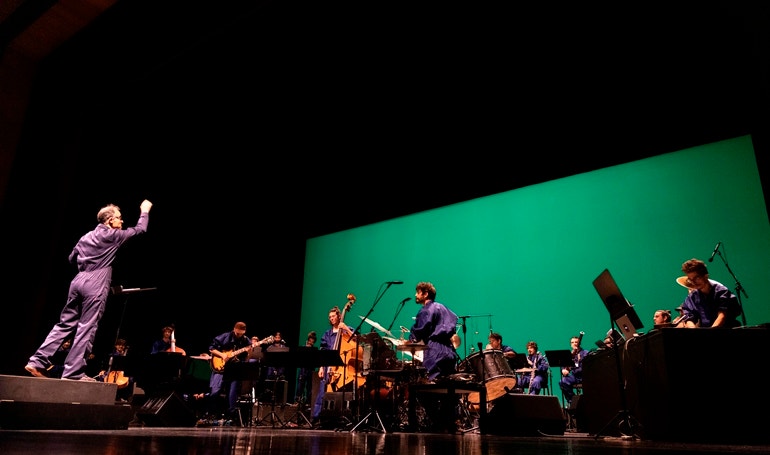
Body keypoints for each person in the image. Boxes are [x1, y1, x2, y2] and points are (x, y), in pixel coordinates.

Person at [25, 200, 153, 381]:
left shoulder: (85, 236)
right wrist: (144, 211)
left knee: (64, 324)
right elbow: (140, 230)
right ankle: (73, 373)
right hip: (96, 282)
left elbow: (71, 258)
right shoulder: (113, 236)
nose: (121, 222)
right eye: (119, 218)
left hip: (78, 281)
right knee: (87, 327)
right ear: (109, 221)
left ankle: (37, 361)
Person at [311, 305, 356, 426]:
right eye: (329, 317)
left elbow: (357, 340)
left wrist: (345, 328)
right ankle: (317, 417)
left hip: (342, 366)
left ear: (339, 316)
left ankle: (337, 417)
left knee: (340, 392)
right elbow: (323, 351)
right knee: (322, 391)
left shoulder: (347, 329)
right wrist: (321, 367)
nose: (331, 319)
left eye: (333, 316)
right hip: (328, 366)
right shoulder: (327, 334)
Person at [408, 281, 460, 381]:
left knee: (433, 385)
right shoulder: (443, 307)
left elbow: (419, 330)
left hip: (435, 352)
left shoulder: (426, 310)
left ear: (425, 294)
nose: (415, 295)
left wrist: (411, 340)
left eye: (418, 292)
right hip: (449, 352)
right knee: (448, 386)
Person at [207, 321, 256, 423]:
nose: (239, 335)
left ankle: (231, 416)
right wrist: (223, 355)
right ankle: (212, 414)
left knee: (233, 393)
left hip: (235, 368)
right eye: (237, 333)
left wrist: (250, 352)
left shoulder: (246, 340)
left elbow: (247, 360)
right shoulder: (225, 336)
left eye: (241, 333)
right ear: (234, 329)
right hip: (220, 367)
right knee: (215, 391)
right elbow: (211, 349)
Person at [677, 258, 742, 328]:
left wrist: (710, 334)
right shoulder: (693, 296)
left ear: (706, 276)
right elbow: (689, 318)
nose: (693, 282)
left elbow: (722, 316)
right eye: (690, 279)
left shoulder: (721, 292)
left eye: (696, 278)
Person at [559, 335, 589, 406]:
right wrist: (563, 370)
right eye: (572, 342)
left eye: (576, 342)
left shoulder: (585, 353)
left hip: (584, 377)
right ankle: (573, 401)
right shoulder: (569, 354)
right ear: (570, 344)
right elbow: (563, 366)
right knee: (562, 381)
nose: (574, 344)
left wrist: (574, 367)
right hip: (575, 377)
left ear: (579, 343)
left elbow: (585, 368)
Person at [294, 331, 317, 406]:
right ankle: (297, 401)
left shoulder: (314, 350)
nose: (311, 342)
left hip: (310, 369)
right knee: (300, 385)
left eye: (312, 341)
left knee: (309, 387)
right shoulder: (302, 348)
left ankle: (308, 402)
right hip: (303, 369)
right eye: (310, 340)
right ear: (308, 340)